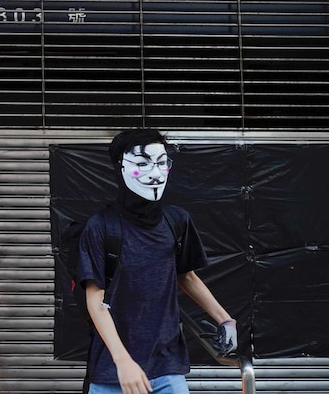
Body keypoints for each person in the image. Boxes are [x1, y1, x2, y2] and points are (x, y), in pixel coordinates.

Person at [77, 128, 237, 394]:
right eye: (142, 163)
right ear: (121, 167)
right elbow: (96, 300)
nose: (155, 173)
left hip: (166, 364)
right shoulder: (101, 226)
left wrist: (225, 320)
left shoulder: (176, 221)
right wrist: (123, 361)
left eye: (162, 162)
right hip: (112, 370)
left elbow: (186, 275)